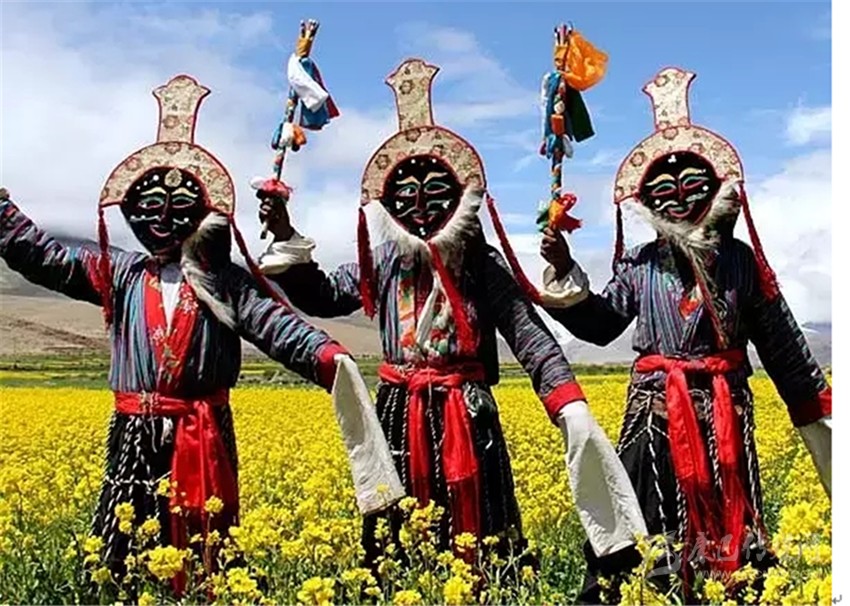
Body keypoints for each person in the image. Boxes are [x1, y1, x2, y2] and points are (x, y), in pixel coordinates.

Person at [256, 58, 646, 573]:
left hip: (468, 411)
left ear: (461, 198)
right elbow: (326, 297)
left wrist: (567, 403)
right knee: (399, 546)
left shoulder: (482, 262)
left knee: (482, 534)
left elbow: (529, 337)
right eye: (406, 197)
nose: (421, 208)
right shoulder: (382, 260)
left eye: (436, 194)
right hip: (399, 413)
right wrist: (286, 234)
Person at [0, 74, 360, 591]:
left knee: (205, 552)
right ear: (131, 212)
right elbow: (47, 258)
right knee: (123, 549)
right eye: (149, 208)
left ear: (202, 214)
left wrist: (327, 358)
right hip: (134, 432)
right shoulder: (119, 272)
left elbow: (275, 324)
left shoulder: (224, 281)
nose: (163, 219)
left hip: (202, 431)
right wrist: (2, 214)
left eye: (178, 209)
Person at [538, 66, 832, 603]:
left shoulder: (742, 263)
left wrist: (823, 419)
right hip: (653, 419)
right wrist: (564, 268)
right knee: (640, 544)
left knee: (731, 550)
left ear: (716, 189)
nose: (678, 199)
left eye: (692, 186)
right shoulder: (640, 265)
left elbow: (785, 348)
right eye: (663, 190)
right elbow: (601, 325)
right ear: (648, 201)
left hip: (723, 420)